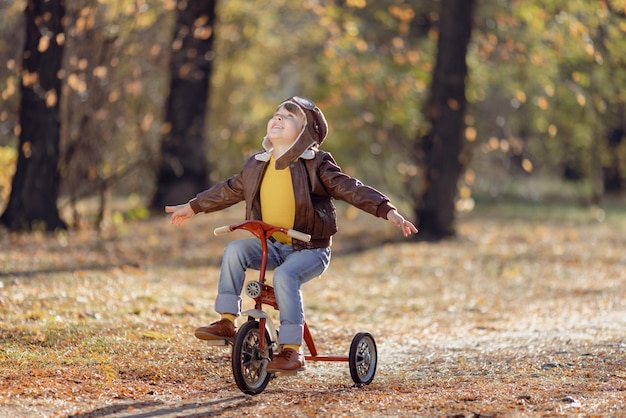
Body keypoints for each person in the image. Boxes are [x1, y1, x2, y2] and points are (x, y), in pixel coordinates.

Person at [165, 96, 417, 373]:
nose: (278, 118)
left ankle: (292, 350)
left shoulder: (316, 165)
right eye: (276, 114)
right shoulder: (257, 165)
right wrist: (192, 207)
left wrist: (387, 210)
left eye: (289, 116)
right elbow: (227, 190)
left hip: (311, 250)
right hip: (272, 246)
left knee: (286, 277)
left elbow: (351, 189)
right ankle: (226, 321)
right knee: (235, 251)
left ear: (306, 133)